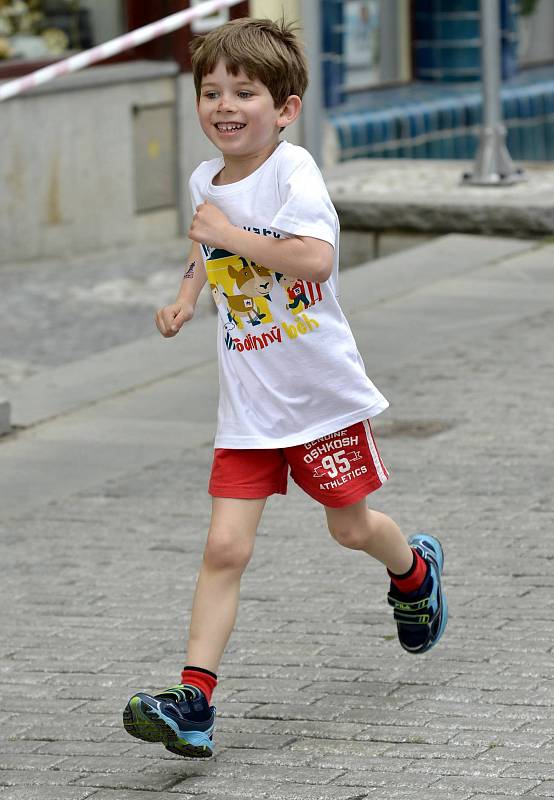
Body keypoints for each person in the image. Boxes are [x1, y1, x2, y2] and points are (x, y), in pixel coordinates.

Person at [122, 17, 447, 760]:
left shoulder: (293, 171)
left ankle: (415, 572)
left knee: (350, 528)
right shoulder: (208, 179)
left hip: (319, 399)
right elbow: (206, 241)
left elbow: (313, 260)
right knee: (225, 548)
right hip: (249, 406)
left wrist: (229, 236)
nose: (225, 105)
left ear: (286, 108)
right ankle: (194, 700)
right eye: (211, 91)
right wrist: (184, 293)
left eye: (245, 92)